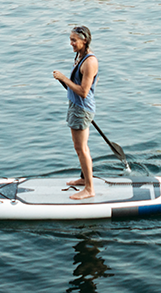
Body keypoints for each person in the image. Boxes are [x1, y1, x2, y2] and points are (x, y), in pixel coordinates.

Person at [52, 26, 100, 200]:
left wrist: (64, 78)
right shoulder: (81, 56)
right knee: (78, 147)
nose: (71, 43)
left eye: (74, 40)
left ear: (84, 41)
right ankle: (83, 178)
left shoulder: (90, 61)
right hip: (76, 106)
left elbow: (84, 91)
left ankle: (89, 189)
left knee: (82, 148)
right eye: (70, 39)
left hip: (82, 108)